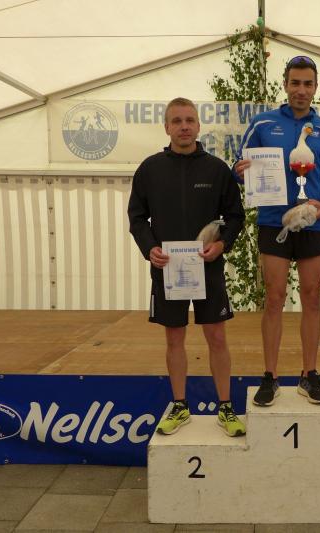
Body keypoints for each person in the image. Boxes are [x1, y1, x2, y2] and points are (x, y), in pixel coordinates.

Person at [234, 56, 320, 406]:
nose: (301, 89)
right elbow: (239, 165)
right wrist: (240, 171)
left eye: (307, 84)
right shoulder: (262, 123)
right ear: (284, 84)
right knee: (274, 298)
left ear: (315, 87)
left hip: (311, 224)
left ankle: (308, 374)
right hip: (273, 222)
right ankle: (270, 376)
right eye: (295, 82)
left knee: (312, 298)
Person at [128, 97, 246, 437]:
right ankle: (180, 406)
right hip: (167, 270)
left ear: (198, 126)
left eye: (189, 120)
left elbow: (235, 216)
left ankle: (226, 407)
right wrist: (149, 248)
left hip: (208, 269)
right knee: (174, 338)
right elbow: (137, 218)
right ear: (166, 127)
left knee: (217, 336)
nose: (184, 126)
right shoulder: (149, 169)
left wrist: (222, 245)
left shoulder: (217, 169)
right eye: (177, 121)